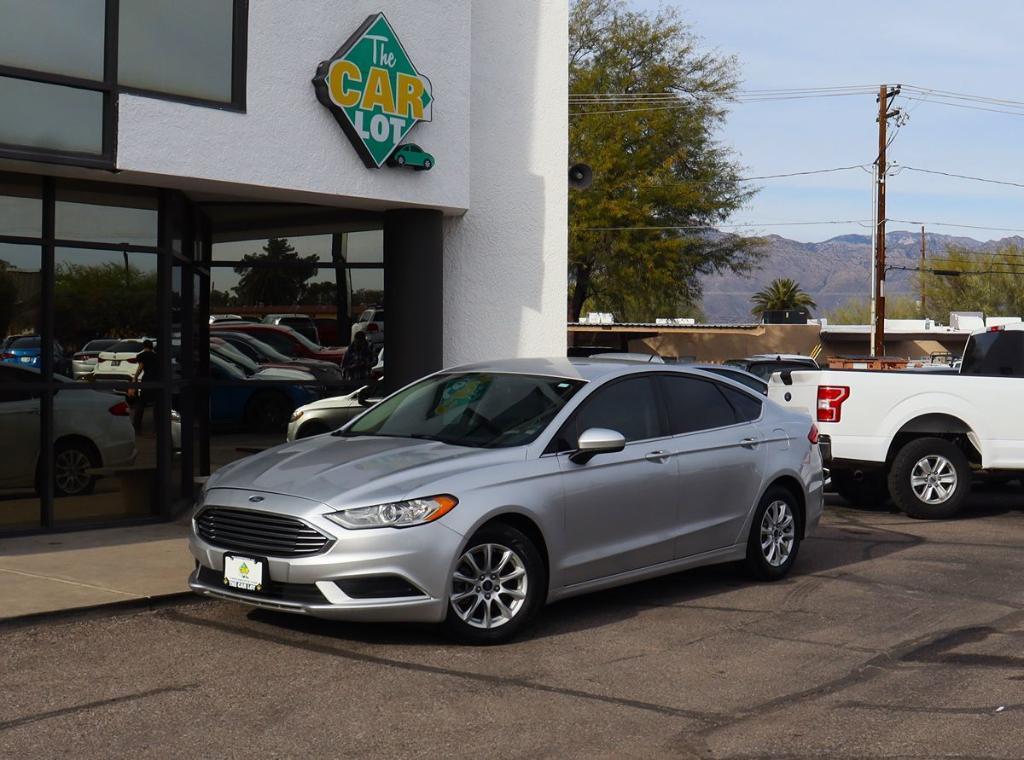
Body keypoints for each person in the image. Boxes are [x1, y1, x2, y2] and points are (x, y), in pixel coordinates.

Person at [132, 340, 160, 433]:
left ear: (144, 346)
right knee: (156, 405)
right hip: (156, 380)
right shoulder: (156, 356)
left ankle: (137, 427)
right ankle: (157, 428)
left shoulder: (142, 356)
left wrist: (135, 377)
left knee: (141, 404)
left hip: (147, 380)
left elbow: (140, 367)